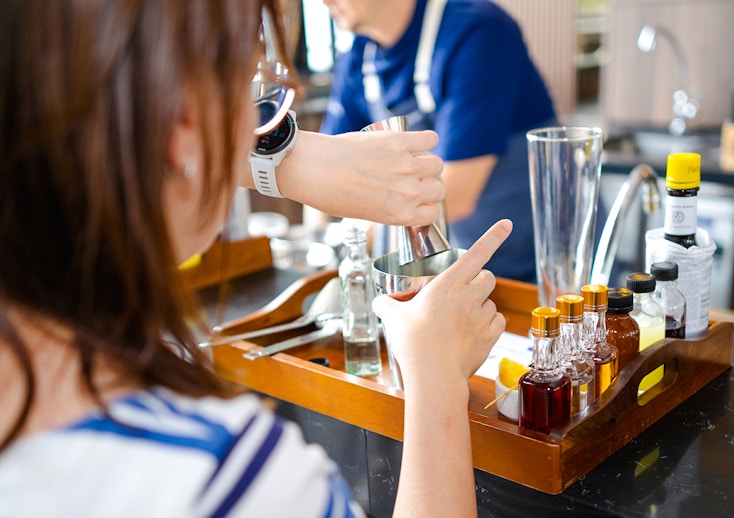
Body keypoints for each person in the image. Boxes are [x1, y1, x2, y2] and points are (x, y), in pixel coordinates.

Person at [0, 1, 512, 516]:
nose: (260, 121)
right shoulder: (229, 474)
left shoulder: (475, 30)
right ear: (185, 121)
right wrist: (438, 378)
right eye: (258, 96)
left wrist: (272, 156)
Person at [320, 0, 557, 282]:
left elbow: (454, 196)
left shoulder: (480, 31)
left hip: (543, 271)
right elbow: (324, 171)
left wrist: (346, 244)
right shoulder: (357, 59)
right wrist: (321, 244)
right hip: (462, 267)